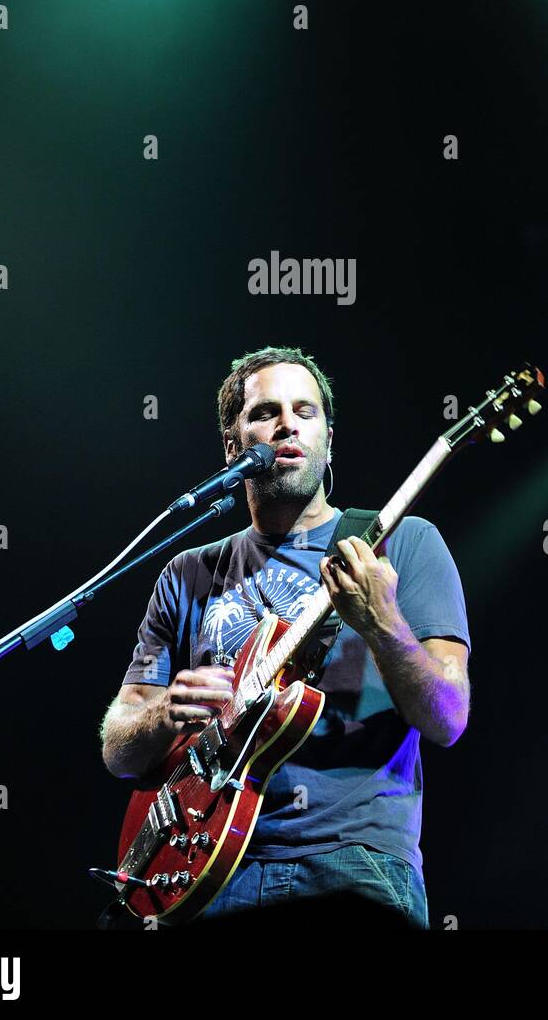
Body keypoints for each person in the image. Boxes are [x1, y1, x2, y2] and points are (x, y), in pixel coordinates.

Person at [100, 345, 471, 928]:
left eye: (306, 411)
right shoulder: (190, 572)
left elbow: (448, 716)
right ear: (232, 446)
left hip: (354, 867)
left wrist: (381, 620)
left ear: (329, 438)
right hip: (207, 872)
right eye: (266, 412)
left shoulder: (402, 543)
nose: (287, 424)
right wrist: (163, 712)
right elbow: (118, 749)